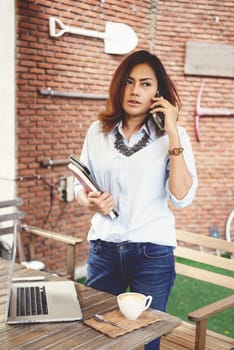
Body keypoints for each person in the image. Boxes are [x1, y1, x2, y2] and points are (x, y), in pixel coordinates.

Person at [73, 50, 198, 350]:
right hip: (104, 249)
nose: (135, 90)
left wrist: (171, 133)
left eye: (145, 84)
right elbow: (78, 183)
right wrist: (88, 202)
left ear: (158, 92)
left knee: (146, 340)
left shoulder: (174, 134)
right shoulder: (97, 132)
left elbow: (181, 197)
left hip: (152, 253)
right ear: (119, 86)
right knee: (97, 333)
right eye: (129, 82)